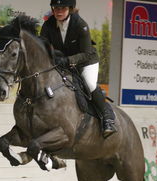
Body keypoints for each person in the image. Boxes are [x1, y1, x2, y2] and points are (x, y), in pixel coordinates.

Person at [40, 0, 117, 138]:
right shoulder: (48, 25)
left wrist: (68, 60)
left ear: (70, 8)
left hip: (86, 61)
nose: (58, 11)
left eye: (62, 8)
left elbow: (86, 53)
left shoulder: (80, 25)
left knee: (89, 84)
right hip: (62, 62)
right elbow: (42, 46)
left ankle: (107, 118)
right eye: (56, 8)